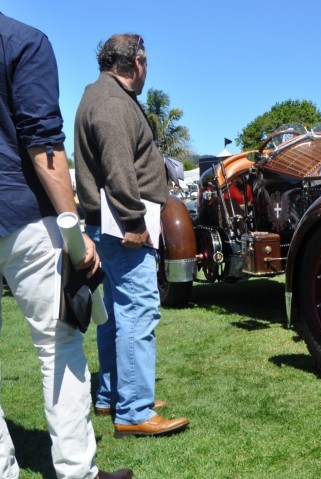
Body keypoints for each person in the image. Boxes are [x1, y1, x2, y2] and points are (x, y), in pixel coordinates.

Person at [0, 13, 132, 479]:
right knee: (58, 345)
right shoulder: (23, 41)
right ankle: (78, 472)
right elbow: (44, 148)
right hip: (21, 215)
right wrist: (76, 238)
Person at [75, 34, 189, 437]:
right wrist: (136, 223)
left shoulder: (101, 96)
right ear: (137, 62)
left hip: (106, 224)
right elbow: (119, 170)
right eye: (147, 64)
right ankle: (135, 411)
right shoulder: (111, 103)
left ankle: (114, 395)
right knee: (139, 310)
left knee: (115, 316)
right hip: (122, 227)